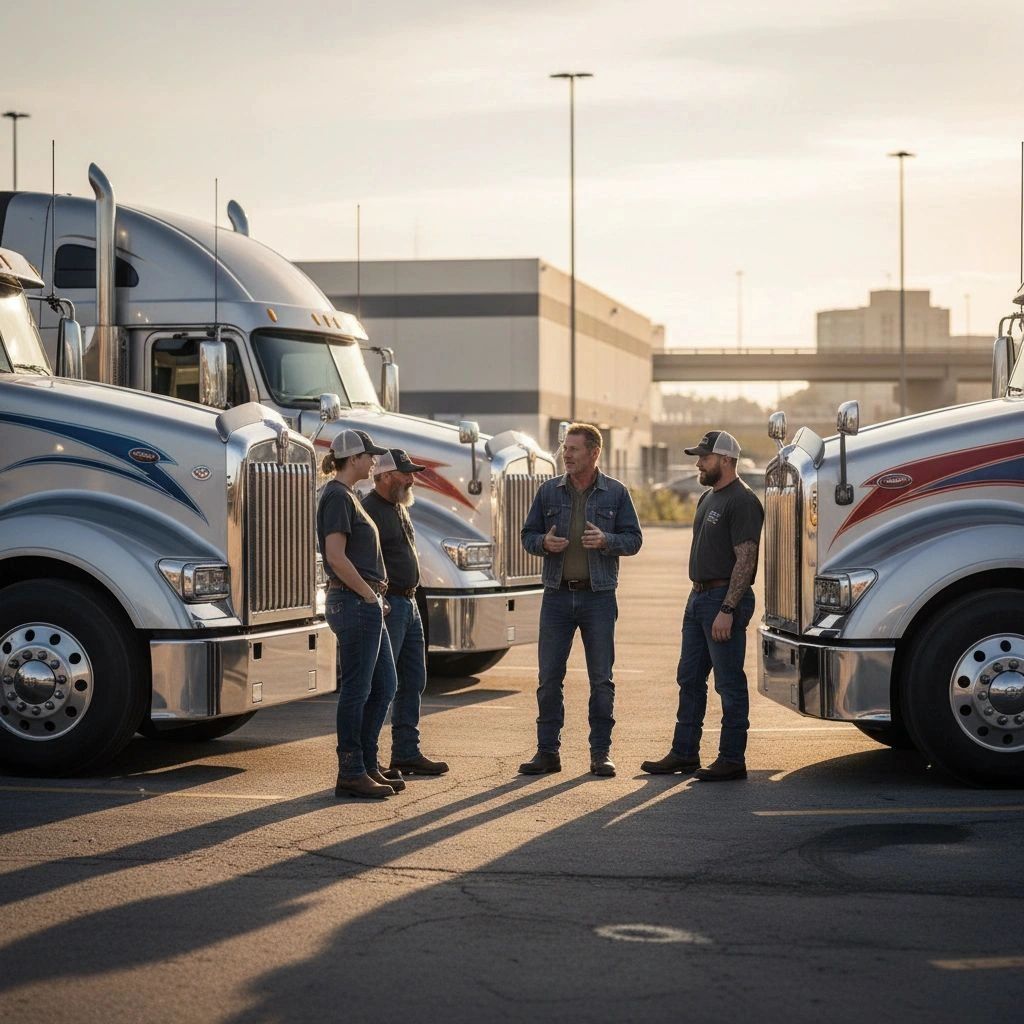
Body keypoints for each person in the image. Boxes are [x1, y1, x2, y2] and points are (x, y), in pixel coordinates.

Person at [519, 422, 643, 778]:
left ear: (593, 453)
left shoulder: (616, 493)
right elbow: (528, 535)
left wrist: (607, 540)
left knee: (601, 679)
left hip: (599, 598)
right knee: (548, 679)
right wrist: (544, 543)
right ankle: (547, 753)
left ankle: (600, 754)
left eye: (573, 449)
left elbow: (634, 539)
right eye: (564, 449)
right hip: (556, 596)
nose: (566, 455)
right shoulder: (548, 492)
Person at [641, 429, 764, 782]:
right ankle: (684, 752)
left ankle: (731, 759)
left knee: (728, 683)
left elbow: (746, 559)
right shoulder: (708, 498)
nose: (698, 463)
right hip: (698, 598)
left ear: (726, 460)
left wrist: (728, 609)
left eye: (704, 457)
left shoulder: (741, 501)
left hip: (721, 600)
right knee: (690, 679)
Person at [317, 428, 404, 799]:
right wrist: (370, 595)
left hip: (365, 602)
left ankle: (367, 763)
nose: (373, 462)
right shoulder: (337, 497)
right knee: (357, 689)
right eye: (369, 456)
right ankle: (350, 770)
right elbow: (336, 557)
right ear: (353, 459)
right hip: (354, 604)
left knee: (385, 684)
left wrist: (373, 596)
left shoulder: (348, 496)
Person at [361, 448, 449, 777]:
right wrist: (376, 598)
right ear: (383, 476)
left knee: (414, 679)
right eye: (405, 473)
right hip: (389, 605)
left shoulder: (399, 505)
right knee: (383, 683)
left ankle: (406, 753)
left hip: (410, 603)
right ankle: (368, 760)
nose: (412, 478)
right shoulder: (369, 509)